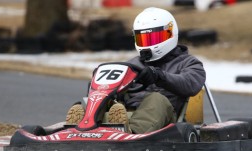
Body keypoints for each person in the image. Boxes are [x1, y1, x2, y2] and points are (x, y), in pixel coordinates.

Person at [67, 7, 206, 134]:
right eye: (144, 39)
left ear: (170, 33)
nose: (149, 44)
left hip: (163, 118)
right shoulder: (132, 64)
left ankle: (131, 133)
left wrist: (159, 76)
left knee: (156, 98)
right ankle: (83, 127)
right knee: (104, 97)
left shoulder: (188, 63)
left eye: (154, 38)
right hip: (124, 113)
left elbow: (190, 84)